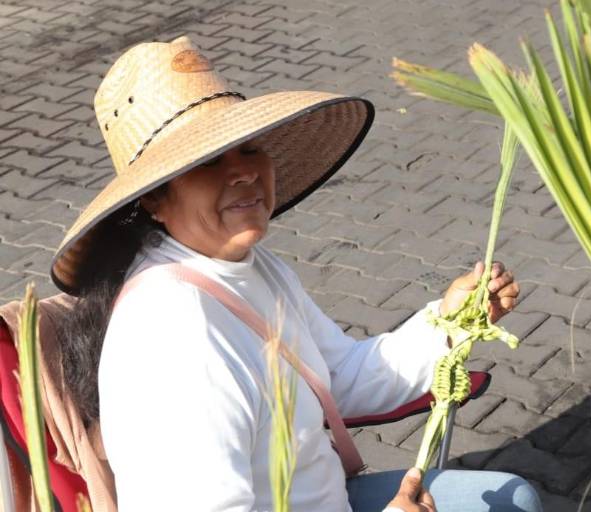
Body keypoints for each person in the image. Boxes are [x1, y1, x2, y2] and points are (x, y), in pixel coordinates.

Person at [50, 36, 542, 512]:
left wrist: (448, 323)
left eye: (247, 149)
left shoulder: (251, 268)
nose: (242, 173)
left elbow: (339, 379)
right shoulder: (177, 337)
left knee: (516, 499)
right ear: (154, 199)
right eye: (207, 162)